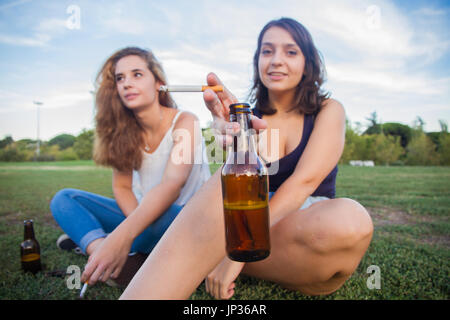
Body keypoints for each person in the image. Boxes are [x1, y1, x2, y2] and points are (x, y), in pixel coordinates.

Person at [119, 17, 374, 299]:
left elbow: (305, 182)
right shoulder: (248, 116)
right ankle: (184, 258)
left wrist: (237, 255)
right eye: (267, 51)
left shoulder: (328, 109)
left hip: (302, 222)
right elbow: (235, 188)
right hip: (247, 222)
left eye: (290, 51)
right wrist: (225, 130)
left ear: (308, 62)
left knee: (349, 221)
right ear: (257, 61)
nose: (276, 60)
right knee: (216, 193)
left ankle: (195, 255)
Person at [50, 47, 211, 287]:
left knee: (161, 211)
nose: (126, 83)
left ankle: (107, 244)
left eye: (137, 74)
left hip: (180, 218)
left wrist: (124, 234)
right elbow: (123, 187)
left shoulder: (185, 121)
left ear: (158, 83)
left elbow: (172, 185)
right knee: (64, 199)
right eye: (120, 78)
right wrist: (124, 233)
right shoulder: (123, 132)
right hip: (141, 215)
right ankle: (101, 254)